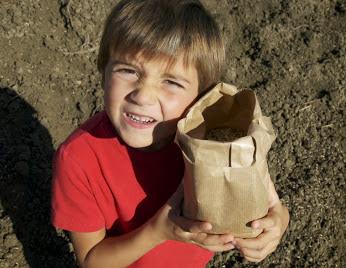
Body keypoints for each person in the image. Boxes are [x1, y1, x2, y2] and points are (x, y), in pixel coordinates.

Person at [51, 0, 290, 267]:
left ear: (202, 98)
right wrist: (159, 231)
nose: (142, 96)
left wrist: (276, 224)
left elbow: (274, 207)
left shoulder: (217, 142)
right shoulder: (78, 159)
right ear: (103, 71)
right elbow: (92, 261)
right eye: (128, 71)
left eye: (171, 82)